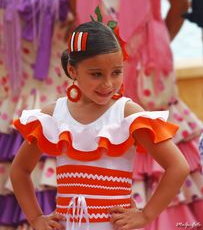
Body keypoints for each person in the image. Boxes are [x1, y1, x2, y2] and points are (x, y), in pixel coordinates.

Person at [10, 20, 190, 230]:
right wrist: (36, 218)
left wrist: (145, 215)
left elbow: (178, 167)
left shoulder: (127, 115)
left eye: (116, 72)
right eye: (96, 74)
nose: (108, 84)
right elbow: (19, 170)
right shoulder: (54, 116)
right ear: (72, 70)